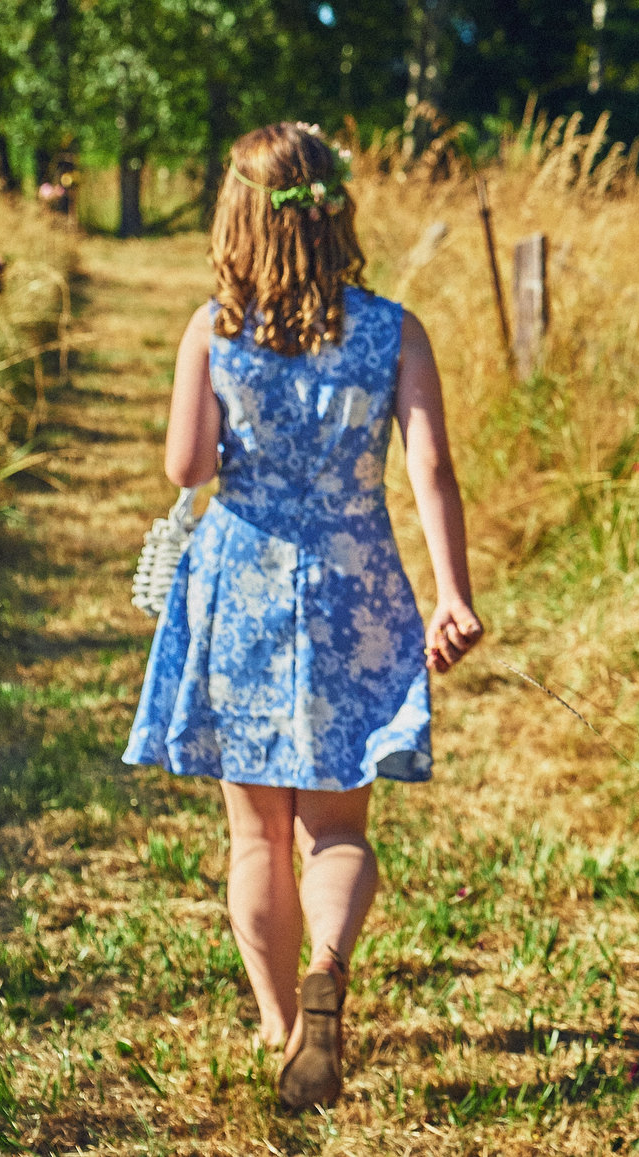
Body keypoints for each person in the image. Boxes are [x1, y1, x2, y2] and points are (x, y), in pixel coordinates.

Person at [122, 122, 485, 1112]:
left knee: (256, 837)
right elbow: (431, 470)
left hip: (241, 582)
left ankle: (285, 1026)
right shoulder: (392, 331)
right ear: (339, 214)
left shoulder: (214, 327)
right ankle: (330, 962)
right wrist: (452, 592)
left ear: (237, 218)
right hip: (356, 583)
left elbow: (188, 467)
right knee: (337, 825)